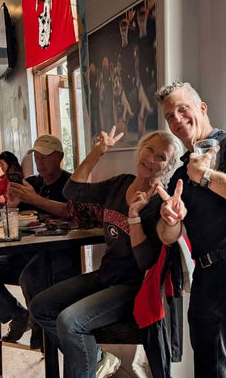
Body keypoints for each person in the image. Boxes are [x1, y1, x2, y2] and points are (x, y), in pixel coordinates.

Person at [140, 82, 226, 378]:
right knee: (209, 372)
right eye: (169, 116)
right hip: (204, 276)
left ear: (202, 109)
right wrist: (170, 219)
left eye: (182, 109)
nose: (176, 119)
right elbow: (169, 237)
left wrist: (206, 176)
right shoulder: (180, 174)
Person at [30, 127, 182, 378]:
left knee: (69, 322)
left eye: (162, 157)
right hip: (105, 276)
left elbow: (145, 262)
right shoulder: (119, 183)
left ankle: (89, 363)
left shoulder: (159, 205)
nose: (152, 158)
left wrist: (134, 218)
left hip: (131, 288)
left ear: (167, 168)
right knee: (41, 306)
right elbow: (72, 192)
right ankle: (97, 358)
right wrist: (97, 152)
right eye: (149, 149)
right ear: (140, 151)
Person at [0, 135, 74, 350]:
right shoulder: (32, 183)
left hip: (57, 258)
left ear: (60, 157)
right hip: (24, 251)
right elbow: (13, 221)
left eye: (45, 157)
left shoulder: (70, 184)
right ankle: (18, 316)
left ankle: (42, 335)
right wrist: (13, 206)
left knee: (31, 278)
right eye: (36, 157)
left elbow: (70, 214)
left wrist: (35, 200)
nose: (39, 162)